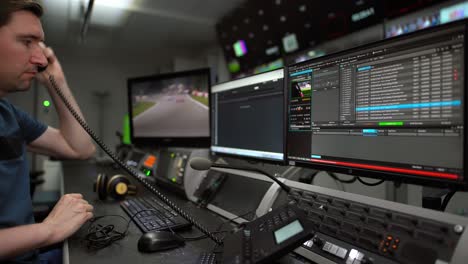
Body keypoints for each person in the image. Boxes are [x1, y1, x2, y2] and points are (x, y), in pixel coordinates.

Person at [0, 0, 96, 262]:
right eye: (27, 41)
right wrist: (48, 229)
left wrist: (57, 81)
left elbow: (80, 148)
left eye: (40, 45)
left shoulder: (10, 115)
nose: (41, 58)